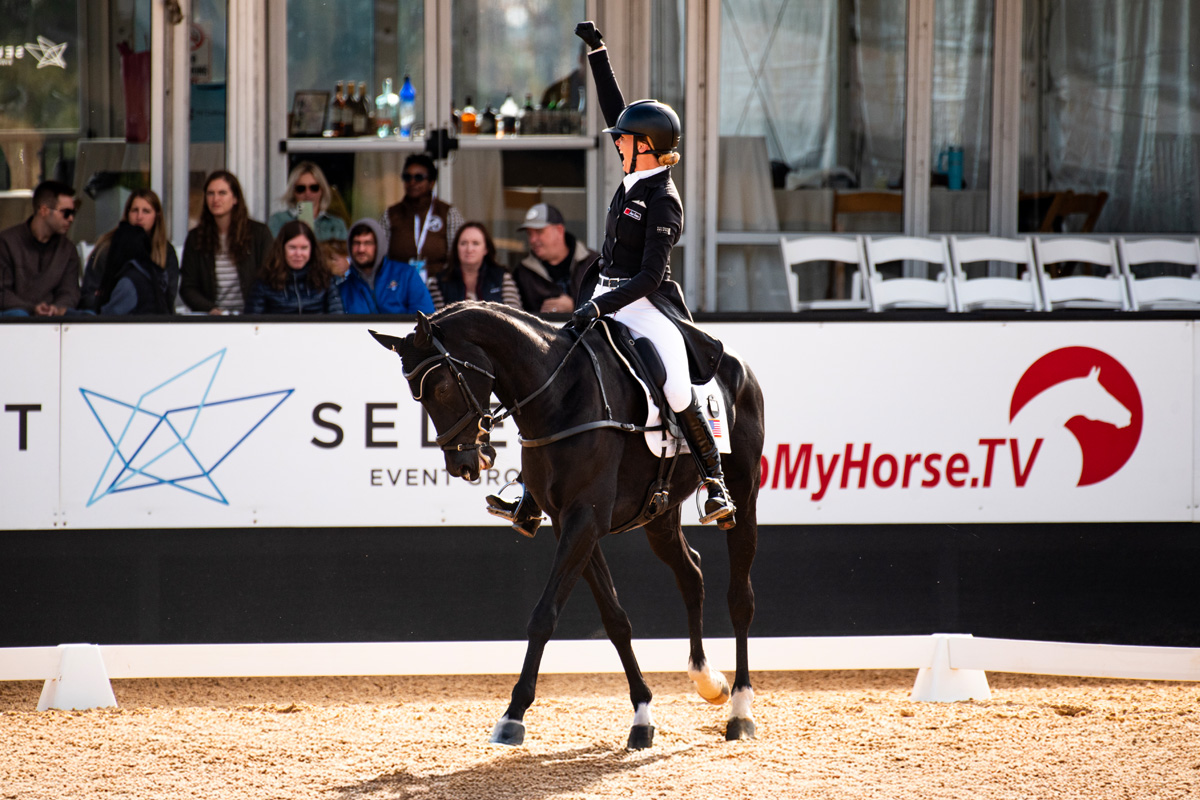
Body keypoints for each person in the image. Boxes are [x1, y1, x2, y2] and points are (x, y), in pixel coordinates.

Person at [493, 22, 733, 532]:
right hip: (602, 293)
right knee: (555, 374)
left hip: (645, 304)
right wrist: (598, 53)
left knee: (675, 388)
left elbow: (650, 275)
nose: (617, 144)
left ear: (646, 147)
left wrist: (603, 306)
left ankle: (715, 484)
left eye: (626, 140)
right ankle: (529, 492)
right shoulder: (634, 174)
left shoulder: (664, 200)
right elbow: (616, 109)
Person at [180, 170, 274, 314]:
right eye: (210, 193)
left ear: (235, 198)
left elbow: (269, 277)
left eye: (222, 193)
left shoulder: (259, 233)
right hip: (211, 319)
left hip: (252, 319)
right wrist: (211, 309)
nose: (215, 199)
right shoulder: (195, 237)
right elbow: (187, 287)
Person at [80, 188, 178, 314]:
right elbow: (88, 296)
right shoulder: (107, 247)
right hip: (109, 320)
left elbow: (168, 298)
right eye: (134, 210)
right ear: (127, 213)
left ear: (157, 215)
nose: (139, 217)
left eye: (146, 211)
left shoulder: (166, 251)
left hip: (154, 322)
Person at [0, 180, 81, 316]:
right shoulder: (6, 243)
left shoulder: (68, 249)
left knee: (85, 315)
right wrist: (32, 309)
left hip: (54, 322)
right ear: (43, 210)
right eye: (66, 213)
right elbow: (2, 293)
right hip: (13, 323)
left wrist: (57, 307)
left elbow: (70, 291)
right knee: (18, 315)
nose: (71, 218)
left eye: (74, 213)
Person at [380, 154, 463, 280]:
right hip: (398, 287)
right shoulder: (391, 214)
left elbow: (458, 256)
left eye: (418, 177)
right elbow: (379, 256)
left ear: (431, 182)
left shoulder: (448, 213)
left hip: (438, 289)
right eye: (407, 177)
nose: (412, 182)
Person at [513, 202, 599, 315]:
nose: (532, 240)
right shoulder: (522, 272)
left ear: (559, 230)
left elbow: (611, 303)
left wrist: (575, 306)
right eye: (529, 234)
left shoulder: (593, 262)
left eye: (539, 232)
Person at [245, 220, 344, 315]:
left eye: (304, 248)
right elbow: (252, 324)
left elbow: (337, 318)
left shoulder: (325, 280)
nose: (298, 254)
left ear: (312, 249)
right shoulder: (265, 282)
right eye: (292, 247)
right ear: (281, 249)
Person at [338, 218, 434, 315]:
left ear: (379, 245)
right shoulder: (344, 288)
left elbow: (425, 316)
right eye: (356, 243)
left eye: (368, 243)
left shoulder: (406, 275)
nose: (361, 249)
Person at [426, 222, 522, 311]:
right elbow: (437, 322)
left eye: (475, 243)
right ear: (456, 248)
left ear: (486, 249)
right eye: (463, 243)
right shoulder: (439, 282)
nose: (469, 249)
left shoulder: (502, 277)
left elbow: (515, 317)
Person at [267, 161, 348, 244]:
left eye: (314, 188)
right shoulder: (279, 220)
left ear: (322, 190)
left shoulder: (336, 224)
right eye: (301, 188)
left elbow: (342, 254)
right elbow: (275, 253)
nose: (308, 193)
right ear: (293, 192)